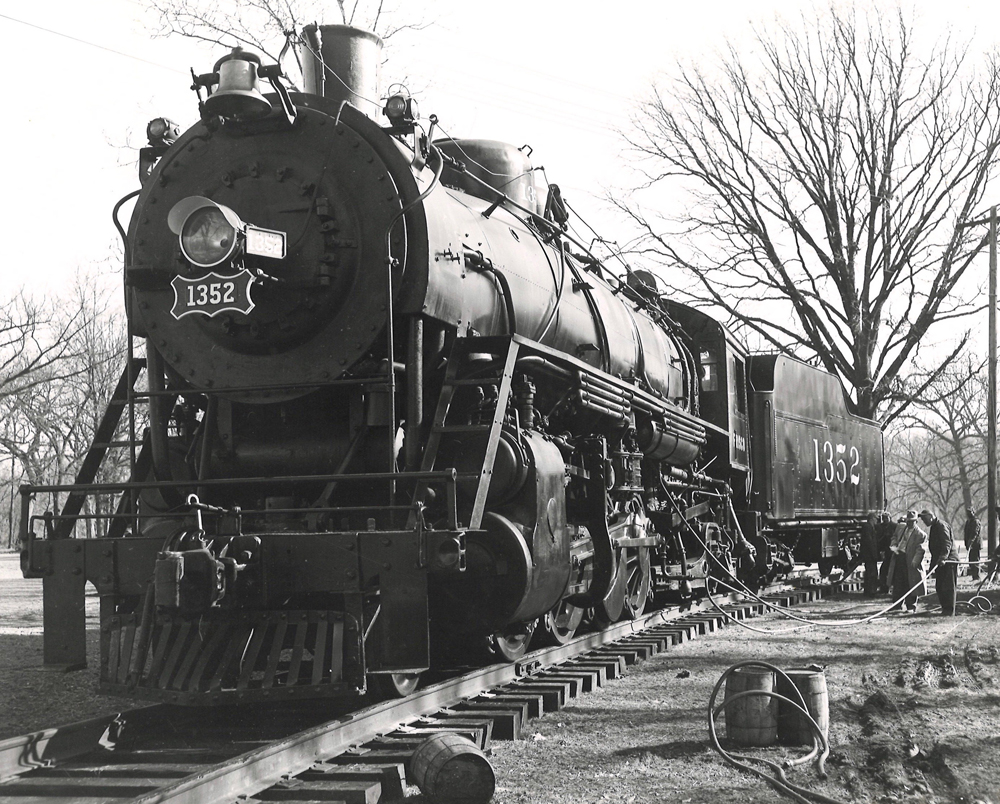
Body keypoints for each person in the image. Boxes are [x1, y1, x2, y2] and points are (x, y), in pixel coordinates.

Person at [920, 509, 959, 616]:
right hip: (940, 562)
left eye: (924, 519)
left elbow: (947, 544)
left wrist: (943, 558)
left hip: (948, 561)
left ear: (931, 516)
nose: (924, 522)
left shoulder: (941, 526)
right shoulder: (934, 527)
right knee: (940, 586)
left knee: (948, 587)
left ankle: (949, 611)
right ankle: (945, 608)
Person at [901, 518, 928, 611]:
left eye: (912, 521)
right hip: (903, 560)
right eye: (908, 521)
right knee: (904, 584)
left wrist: (915, 561)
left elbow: (921, 550)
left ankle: (912, 606)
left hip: (912, 562)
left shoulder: (920, 534)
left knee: (913, 584)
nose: (909, 523)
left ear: (916, 522)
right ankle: (905, 604)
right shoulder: (904, 530)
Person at [860, 513, 880, 596]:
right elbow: (869, 542)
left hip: (869, 554)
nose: (876, 521)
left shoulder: (868, 527)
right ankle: (871, 591)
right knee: (872, 573)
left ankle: (869, 590)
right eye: (875, 519)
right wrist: (874, 554)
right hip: (869, 555)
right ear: (872, 519)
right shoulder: (868, 527)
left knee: (870, 572)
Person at [876, 512, 895, 593]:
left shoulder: (894, 526)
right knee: (883, 571)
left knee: (892, 571)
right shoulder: (881, 526)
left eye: (886, 518)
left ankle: (891, 588)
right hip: (886, 551)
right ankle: (884, 588)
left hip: (893, 551)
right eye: (883, 518)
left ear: (890, 518)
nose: (885, 520)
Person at [964, 507, 982, 581]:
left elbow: (975, 533)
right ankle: (974, 576)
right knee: (971, 561)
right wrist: (966, 543)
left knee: (975, 560)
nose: (969, 514)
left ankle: (977, 577)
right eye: (967, 512)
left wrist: (971, 541)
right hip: (969, 545)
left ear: (973, 512)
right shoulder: (968, 522)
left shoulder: (976, 522)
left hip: (975, 545)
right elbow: (966, 533)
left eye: (970, 512)